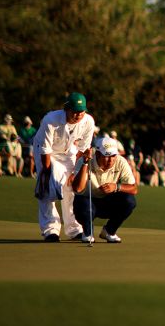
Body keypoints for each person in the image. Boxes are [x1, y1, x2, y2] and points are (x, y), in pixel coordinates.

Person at [33, 92, 96, 242]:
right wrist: (46, 174)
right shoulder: (50, 120)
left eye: (81, 111)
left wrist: (75, 172)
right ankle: (50, 230)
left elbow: (82, 149)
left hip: (69, 151)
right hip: (46, 151)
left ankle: (74, 229)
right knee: (49, 187)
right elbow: (45, 150)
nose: (78, 114)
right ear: (66, 109)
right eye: (74, 111)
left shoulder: (88, 122)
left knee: (70, 188)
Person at [70, 136, 137, 243]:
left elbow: (134, 189)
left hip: (108, 203)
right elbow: (78, 189)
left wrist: (116, 187)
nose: (110, 160)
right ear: (97, 154)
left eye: (113, 155)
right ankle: (87, 232)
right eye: (106, 155)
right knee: (83, 204)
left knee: (129, 201)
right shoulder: (84, 161)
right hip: (86, 203)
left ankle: (109, 231)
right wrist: (85, 164)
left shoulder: (121, 161)